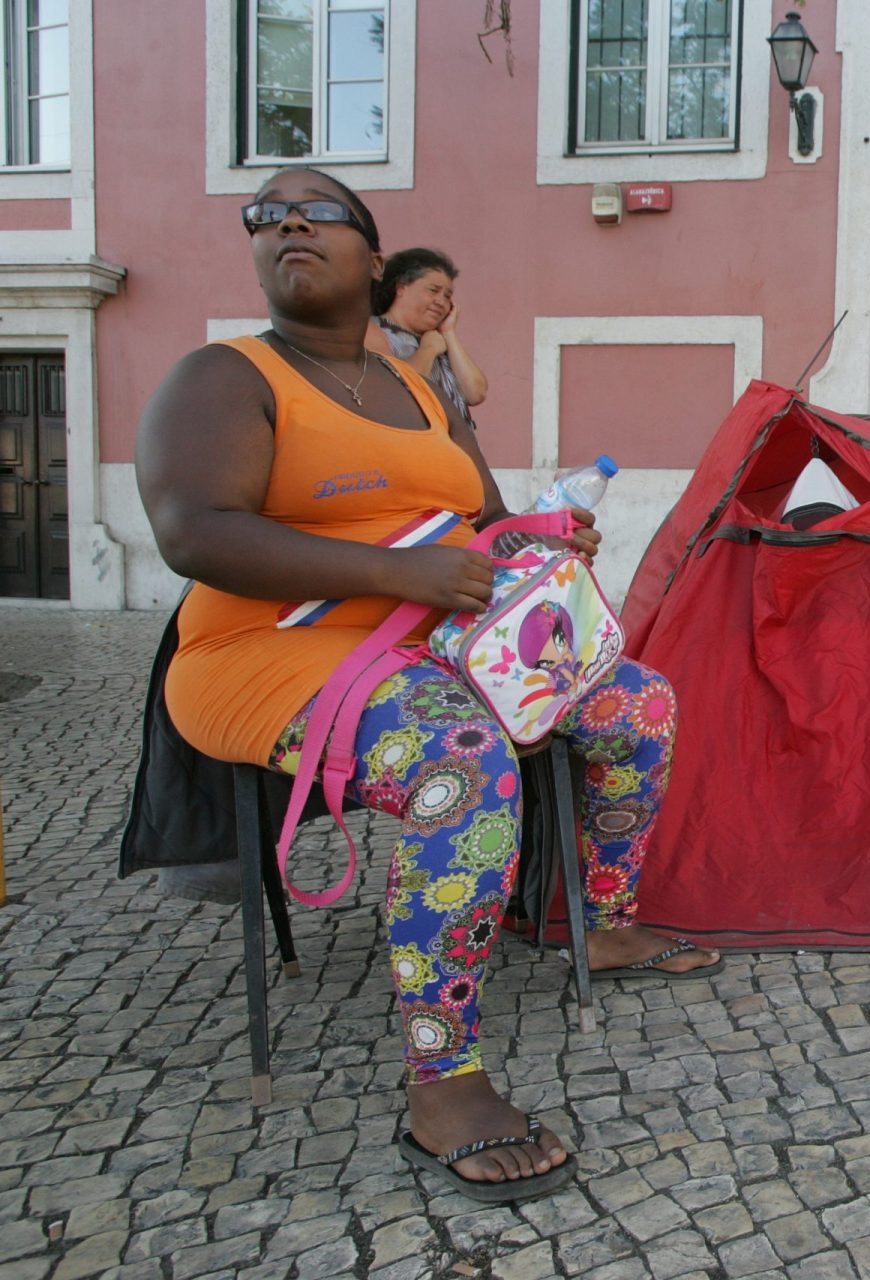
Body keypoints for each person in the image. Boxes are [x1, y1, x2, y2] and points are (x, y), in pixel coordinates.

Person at [135, 169, 722, 1201]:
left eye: (319, 211)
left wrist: (544, 534)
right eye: (267, 215)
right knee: (465, 757)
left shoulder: (415, 387)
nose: (290, 224)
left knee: (639, 703)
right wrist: (393, 573)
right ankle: (443, 1074)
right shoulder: (222, 377)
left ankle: (604, 914)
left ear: (373, 259)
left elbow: (482, 519)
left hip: (445, 633)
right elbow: (196, 532)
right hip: (267, 651)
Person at [371, 247, 488, 432]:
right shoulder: (374, 330)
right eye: (433, 290)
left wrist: (449, 333)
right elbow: (393, 388)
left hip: (456, 455)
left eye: (447, 296)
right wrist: (428, 350)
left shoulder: (439, 340)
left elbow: (476, 392)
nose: (441, 302)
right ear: (401, 288)